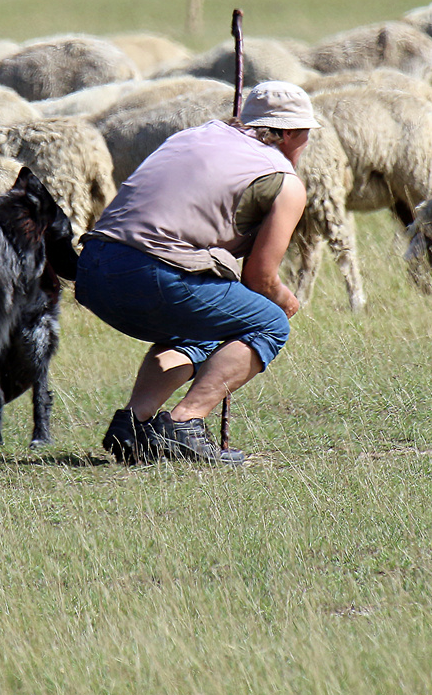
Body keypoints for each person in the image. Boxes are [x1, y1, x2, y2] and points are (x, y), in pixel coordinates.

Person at [74, 80, 317, 465]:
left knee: (205, 324)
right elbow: (261, 279)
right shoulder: (285, 182)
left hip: (92, 268)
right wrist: (285, 300)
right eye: (305, 135)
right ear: (288, 134)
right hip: (152, 273)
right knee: (269, 323)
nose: (306, 144)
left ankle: (133, 425)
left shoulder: (193, 135)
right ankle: (185, 424)